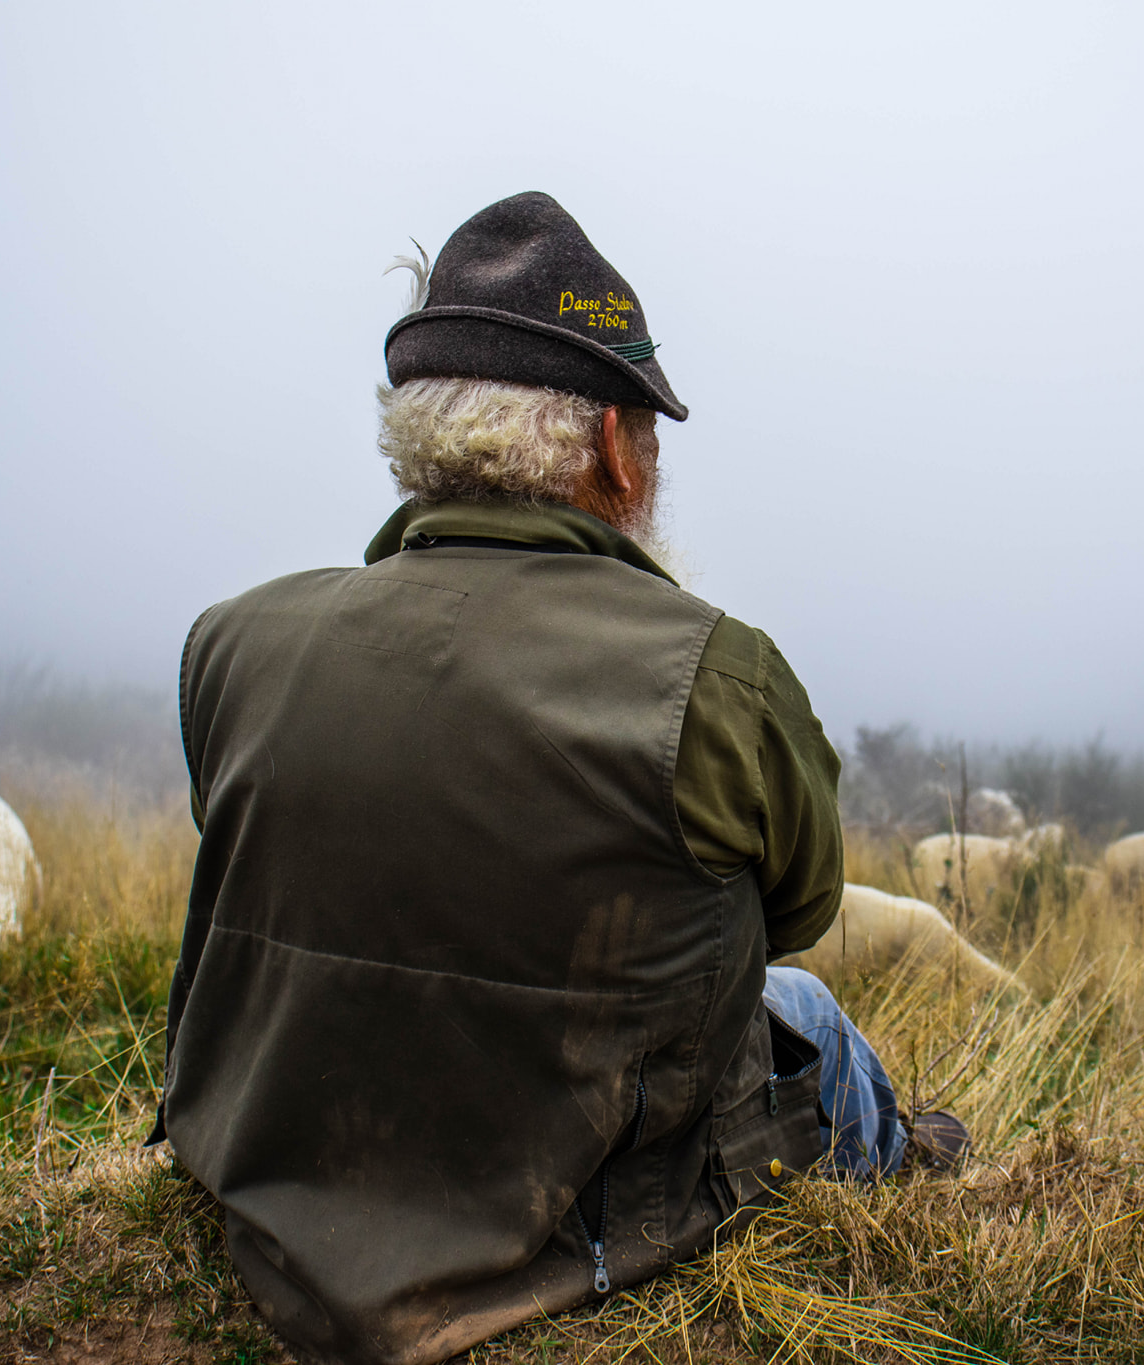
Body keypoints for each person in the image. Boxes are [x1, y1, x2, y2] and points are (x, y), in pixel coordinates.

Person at [159, 191, 969, 1365]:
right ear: (607, 445)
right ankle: (903, 1170)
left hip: (278, 1173)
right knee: (811, 1016)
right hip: (575, 1208)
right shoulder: (715, 674)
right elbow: (792, 915)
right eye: (649, 434)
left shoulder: (229, 644)